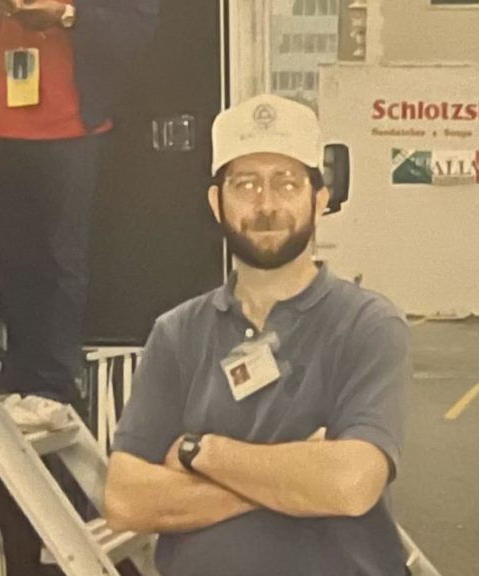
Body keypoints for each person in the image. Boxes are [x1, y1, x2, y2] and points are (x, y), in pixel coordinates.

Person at [104, 94, 412, 576]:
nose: (266, 204)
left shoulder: (367, 325)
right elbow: (125, 500)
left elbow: (351, 484)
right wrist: (296, 478)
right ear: (216, 203)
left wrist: (199, 452)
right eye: (245, 184)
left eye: (286, 182)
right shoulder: (176, 334)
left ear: (320, 200)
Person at [0, 0, 159, 430]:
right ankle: (20, 377)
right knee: (8, 258)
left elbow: (139, 25)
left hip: (71, 125)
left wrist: (67, 15)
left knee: (60, 258)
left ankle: (54, 387)